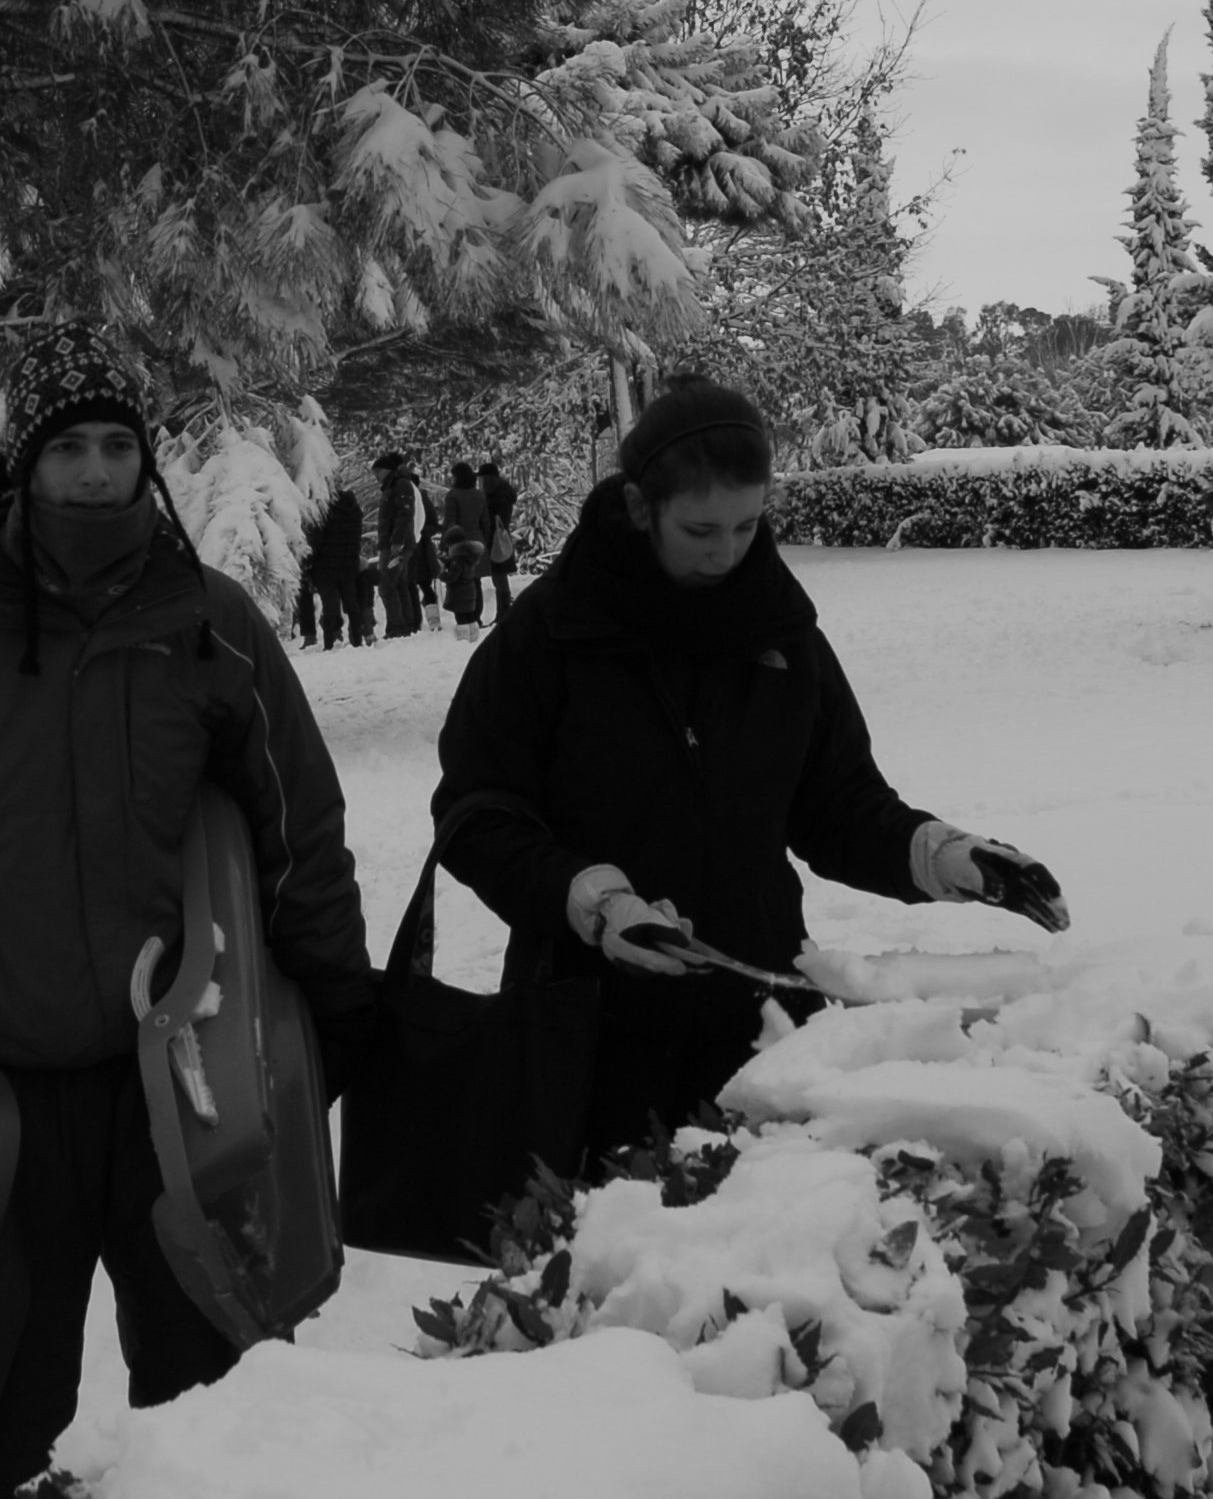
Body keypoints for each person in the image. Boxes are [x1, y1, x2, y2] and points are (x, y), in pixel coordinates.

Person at [0, 323, 376, 1499]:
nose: (94, 472)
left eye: (118, 446)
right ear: (23, 462)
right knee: (1, 1406)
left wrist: (339, 997)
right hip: (6, 1087)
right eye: (68, 447)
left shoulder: (206, 623)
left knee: (213, 1383)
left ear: (145, 462)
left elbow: (295, 820)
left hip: (177, 1087)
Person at [429, 377, 1068, 1161]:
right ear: (639, 507)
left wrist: (937, 853)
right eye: (700, 528)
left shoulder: (780, 630)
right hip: (589, 1035)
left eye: (747, 524)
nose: (726, 552)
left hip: (761, 1024)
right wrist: (591, 900)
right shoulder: (551, 636)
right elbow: (475, 814)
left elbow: (835, 801)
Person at [304, 476, 372, 648]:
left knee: (330, 606)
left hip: (325, 565)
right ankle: (357, 641)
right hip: (348, 563)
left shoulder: (325, 508)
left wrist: (307, 561)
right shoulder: (354, 509)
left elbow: (316, 539)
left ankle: (329, 644)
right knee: (352, 603)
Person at [433, 458, 493, 636]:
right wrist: (484, 542)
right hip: (478, 541)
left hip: (458, 542)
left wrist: (445, 545)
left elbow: (449, 523)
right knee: (476, 582)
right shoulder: (480, 494)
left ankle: (465, 619)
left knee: (460, 582)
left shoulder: (453, 495)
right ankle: (477, 618)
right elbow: (486, 522)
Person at [372, 450, 427, 641]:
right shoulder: (395, 485)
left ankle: (397, 627)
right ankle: (406, 624)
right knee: (400, 584)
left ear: (387, 470)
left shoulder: (400, 485)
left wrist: (396, 542)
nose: (376, 476)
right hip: (398, 542)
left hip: (396, 544)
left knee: (386, 585)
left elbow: (404, 515)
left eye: (378, 471)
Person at [479, 457, 519, 611]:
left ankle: (504, 610)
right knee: (498, 575)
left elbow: (498, 516)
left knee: (499, 575)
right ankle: (503, 610)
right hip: (500, 536)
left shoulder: (497, 493)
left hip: (496, 538)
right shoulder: (501, 490)